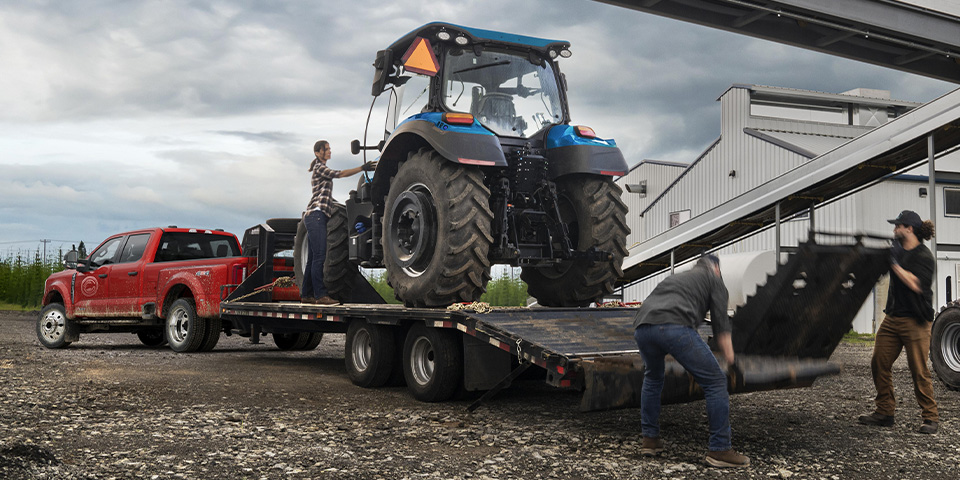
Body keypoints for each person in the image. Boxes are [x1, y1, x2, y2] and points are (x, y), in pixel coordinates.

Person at [633, 255, 750, 468]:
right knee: (715, 382)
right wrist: (732, 361)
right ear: (716, 269)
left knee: (653, 377)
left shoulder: (676, 278)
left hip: (643, 327)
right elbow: (721, 325)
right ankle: (720, 449)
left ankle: (650, 440)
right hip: (674, 326)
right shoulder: (715, 280)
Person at [858, 210, 939, 434]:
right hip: (892, 318)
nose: (894, 230)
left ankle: (930, 417)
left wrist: (893, 263)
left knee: (919, 370)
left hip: (916, 321)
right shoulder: (896, 250)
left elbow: (915, 283)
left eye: (897, 226)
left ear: (909, 229)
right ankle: (885, 412)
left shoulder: (924, 256)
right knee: (879, 362)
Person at [301, 140, 375, 305]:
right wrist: (362, 168)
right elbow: (340, 174)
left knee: (313, 257)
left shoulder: (319, 169)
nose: (329, 152)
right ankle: (320, 296)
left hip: (317, 215)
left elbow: (325, 195)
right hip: (316, 215)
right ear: (318, 152)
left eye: (329, 149)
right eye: (326, 149)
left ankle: (306, 295)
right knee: (320, 256)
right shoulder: (320, 168)